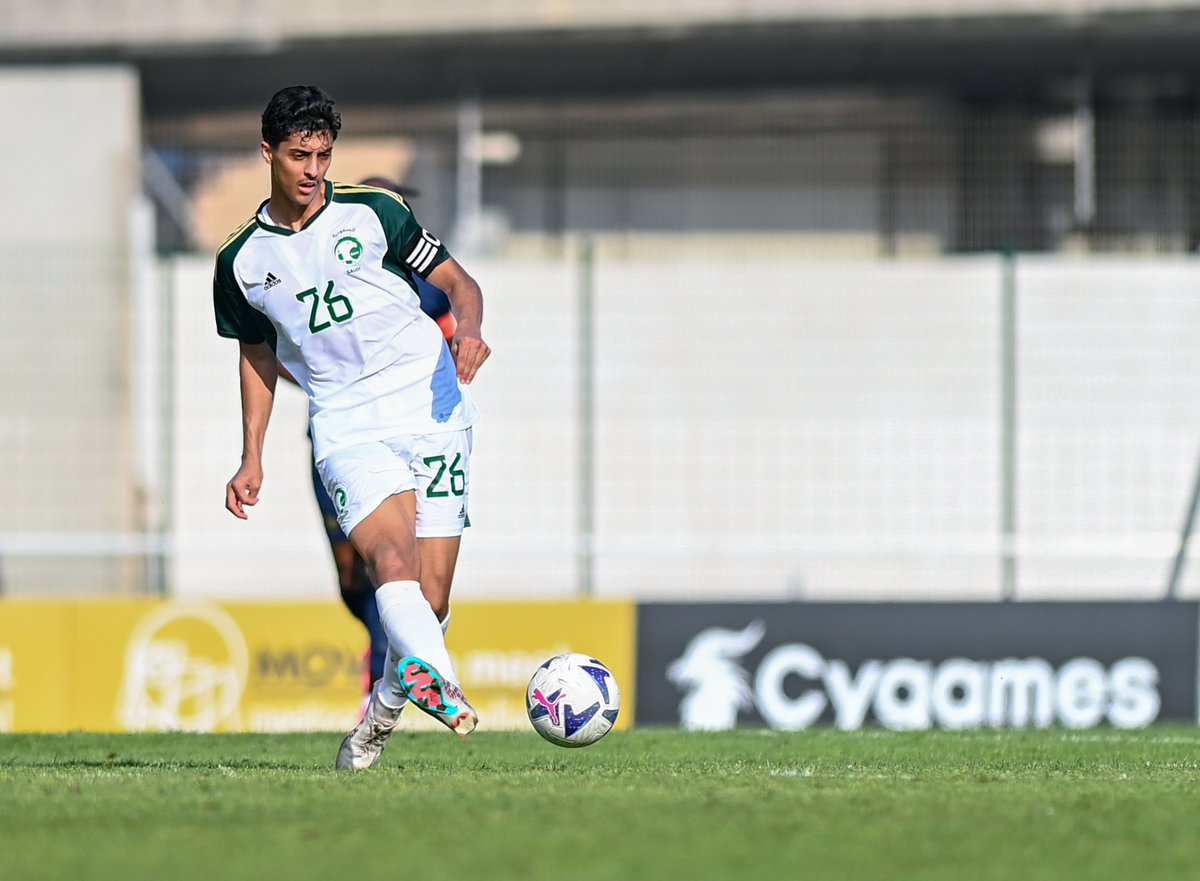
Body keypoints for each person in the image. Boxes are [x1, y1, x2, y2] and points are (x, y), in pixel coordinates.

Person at [212, 84, 491, 770]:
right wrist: (252, 455)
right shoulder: (241, 261)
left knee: (430, 596)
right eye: (299, 155)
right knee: (386, 565)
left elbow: (461, 284)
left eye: (323, 155)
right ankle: (440, 678)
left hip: (430, 405)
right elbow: (255, 353)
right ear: (268, 153)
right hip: (345, 422)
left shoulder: (376, 212)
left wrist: (472, 333)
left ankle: (381, 714)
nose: (312, 170)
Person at [281, 177, 458, 707]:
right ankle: (385, 647)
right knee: (349, 567)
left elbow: (446, 342)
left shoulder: (425, 288)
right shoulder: (316, 275)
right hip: (341, 437)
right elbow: (279, 355)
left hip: (410, 435)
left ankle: (393, 672)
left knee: (399, 560)